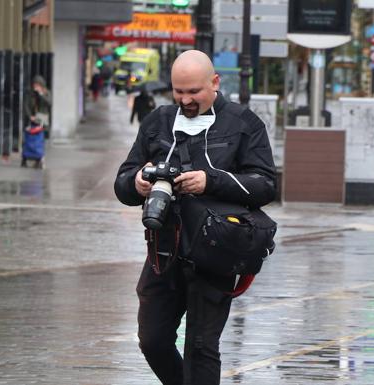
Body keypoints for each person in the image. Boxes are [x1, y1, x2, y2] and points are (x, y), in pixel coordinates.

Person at [114, 50, 276, 385]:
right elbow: (122, 183)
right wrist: (138, 182)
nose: (185, 100)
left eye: (194, 92)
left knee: (201, 346)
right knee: (152, 339)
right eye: (179, 92)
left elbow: (265, 186)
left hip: (216, 250)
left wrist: (209, 180)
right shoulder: (158, 121)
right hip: (164, 247)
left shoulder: (244, 123)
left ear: (215, 83)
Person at [22, 75, 51, 168]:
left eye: (37, 85)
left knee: (40, 139)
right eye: (34, 84)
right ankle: (28, 156)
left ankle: (39, 157)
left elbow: (49, 103)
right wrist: (30, 116)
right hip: (32, 120)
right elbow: (26, 105)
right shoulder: (30, 94)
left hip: (42, 120)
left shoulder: (46, 93)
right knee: (30, 139)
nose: (35, 87)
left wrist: (41, 94)